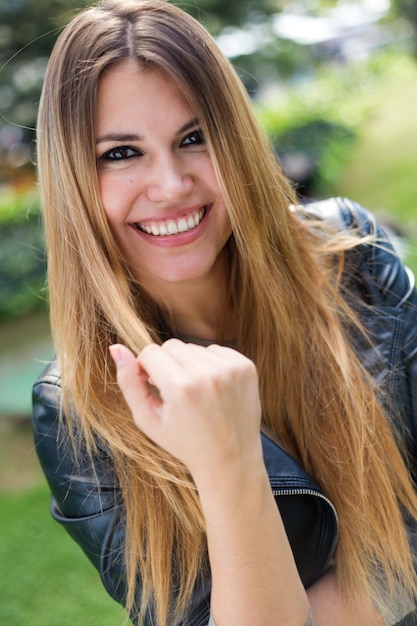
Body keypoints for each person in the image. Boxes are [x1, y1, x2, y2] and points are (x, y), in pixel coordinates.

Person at [32, 0, 417, 624]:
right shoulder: (79, 409)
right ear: (75, 180)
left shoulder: (353, 258)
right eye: (121, 153)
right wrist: (227, 460)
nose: (172, 184)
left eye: (194, 138)